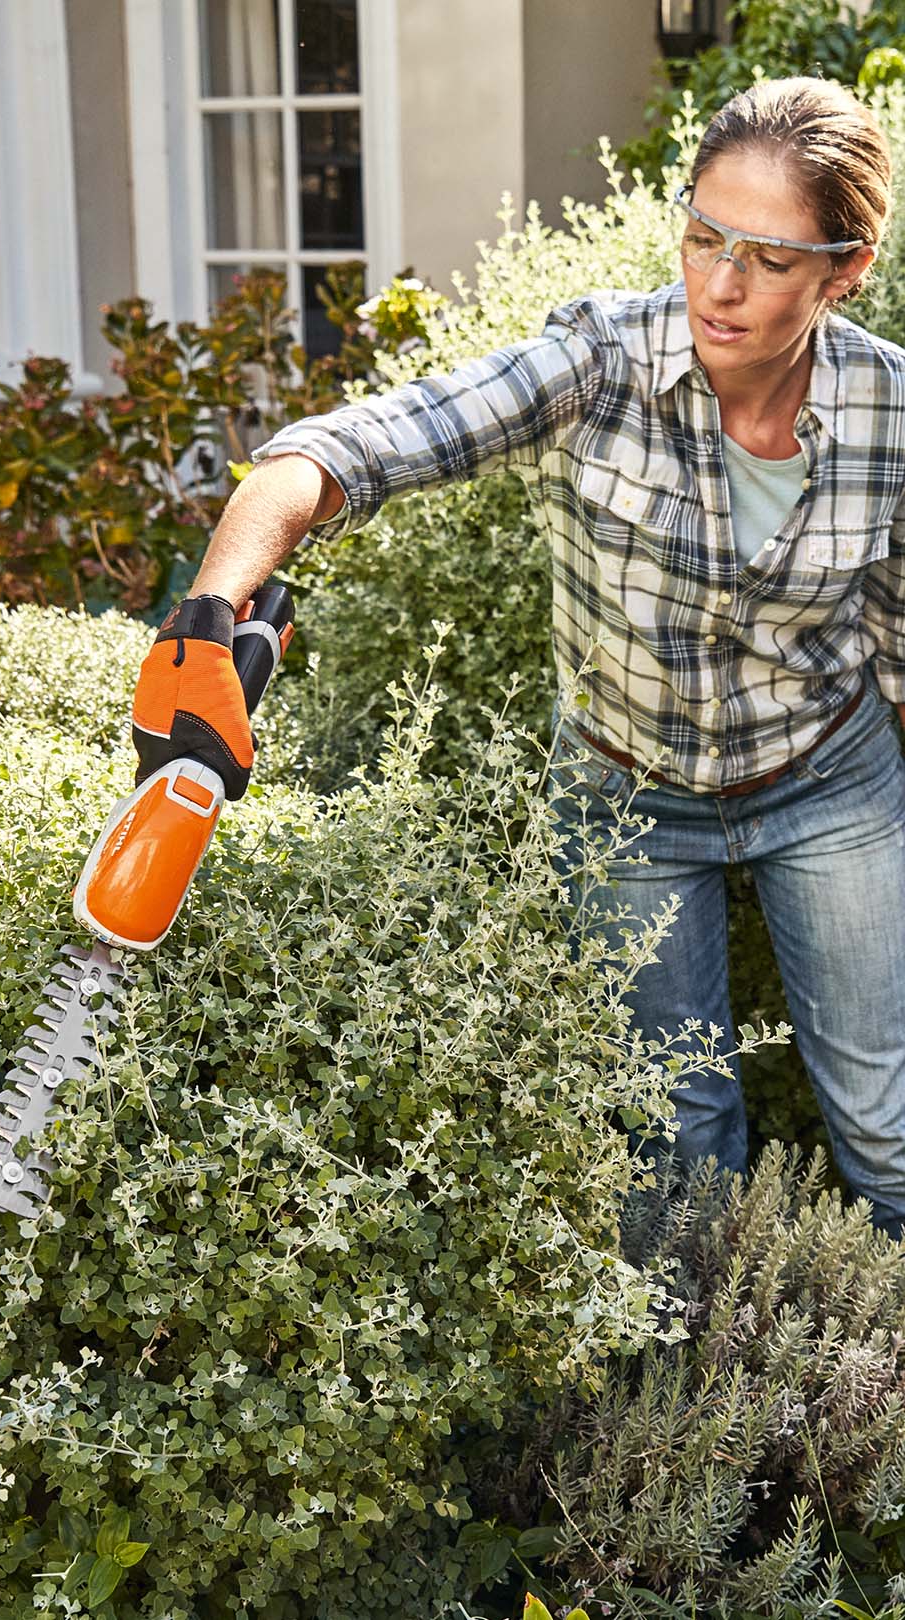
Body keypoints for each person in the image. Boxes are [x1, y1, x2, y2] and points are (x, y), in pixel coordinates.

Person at [132, 77, 905, 1238]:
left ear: (845, 267)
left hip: (828, 780)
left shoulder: (890, 413)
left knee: (886, 1124)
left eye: (769, 259)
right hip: (623, 794)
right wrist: (206, 610)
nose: (722, 285)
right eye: (702, 238)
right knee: (673, 1143)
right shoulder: (595, 365)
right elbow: (348, 451)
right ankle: (700, 1392)